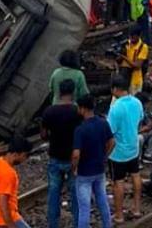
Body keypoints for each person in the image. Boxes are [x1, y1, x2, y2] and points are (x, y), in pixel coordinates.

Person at [42, 80, 82, 228]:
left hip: (55, 157)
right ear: (73, 93)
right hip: (73, 159)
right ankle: (77, 224)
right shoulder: (77, 112)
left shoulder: (49, 111)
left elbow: (44, 134)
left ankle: (53, 224)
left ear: (59, 92)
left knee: (53, 194)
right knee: (76, 195)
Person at [73, 94, 114, 228]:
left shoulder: (80, 129)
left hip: (84, 173)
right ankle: (107, 225)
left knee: (84, 208)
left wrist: (74, 168)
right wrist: (104, 156)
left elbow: (76, 154)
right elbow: (112, 142)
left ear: (83, 109)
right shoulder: (103, 123)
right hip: (99, 169)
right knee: (102, 200)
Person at [107, 76, 144, 221]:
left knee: (119, 182)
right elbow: (140, 120)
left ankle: (119, 215)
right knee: (135, 175)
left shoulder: (115, 108)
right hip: (133, 147)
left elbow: (110, 132)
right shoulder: (137, 102)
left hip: (118, 153)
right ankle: (136, 209)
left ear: (115, 89)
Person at [0, 136, 32, 228]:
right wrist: (11, 225)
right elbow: (3, 203)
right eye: (24, 155)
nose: (25, 159)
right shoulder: (8, 174)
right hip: (3, 222)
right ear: (16, 154)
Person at [119, 27, 149, 95]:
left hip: (136, 79)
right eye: (130, 36)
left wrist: (124, 57)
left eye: (133, 37)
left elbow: (137, 65)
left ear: (138, 36)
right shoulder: (127, 44)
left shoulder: (143, 47)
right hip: (125, 77)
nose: (131, 39)